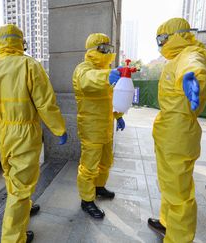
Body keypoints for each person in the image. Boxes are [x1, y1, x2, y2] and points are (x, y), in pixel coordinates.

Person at [0, 24, 68, 243]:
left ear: (0, 41)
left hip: (1, 130)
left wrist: (2, 118)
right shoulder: (29, 65)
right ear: (20, 41)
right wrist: (59, 129)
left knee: (11, 176)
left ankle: (23, 210)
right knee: (21, 188)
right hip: (24, 132)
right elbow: (46, 104)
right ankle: (13, 238)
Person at [147, 18, 206, 243]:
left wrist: (193, 77)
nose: (161, 43)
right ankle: (167, 223)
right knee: (170, 183)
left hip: (178, 131)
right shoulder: (177, 57)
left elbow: (194, 65)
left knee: (178, 191)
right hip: (170, 129)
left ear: (176, 36)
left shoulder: (189, 53)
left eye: (163, 38)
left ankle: (179, 239)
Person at [72, 33, 125, 219]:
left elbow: (112, 97)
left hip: (106, 126)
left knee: (106, 161)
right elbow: (88, 81)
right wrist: (107, 76)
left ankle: (99, 187)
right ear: (94, 50)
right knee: (89, 166)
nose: (108, 52)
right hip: (91, 127)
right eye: (104, 49)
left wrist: (118, 116)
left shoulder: (107, 71)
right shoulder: (83, 69)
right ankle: (86, 200)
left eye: (109, 48)